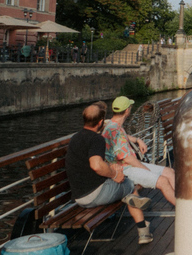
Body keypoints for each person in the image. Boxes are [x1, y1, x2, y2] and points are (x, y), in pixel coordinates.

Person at [65, 102, 153, 245]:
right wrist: (114, 174)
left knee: (121, 181)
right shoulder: (96, 139)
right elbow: (96, 165)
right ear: (101, 122)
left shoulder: (75, 138)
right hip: (95, 195)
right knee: (129, 184)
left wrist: (112, 169)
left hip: (78, 197)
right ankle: (144, 232)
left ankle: (127, 198)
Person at [102, 97, 176, 206]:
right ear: (127, 111)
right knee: (163, 181)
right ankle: (185, 211)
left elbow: (123, 136)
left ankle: (183, 203)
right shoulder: (115, 130)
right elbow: (128, 159)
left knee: (170, 172)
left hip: (129, 165)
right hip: (125, 170)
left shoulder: (113, 125)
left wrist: (137, 140)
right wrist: (146, 170)